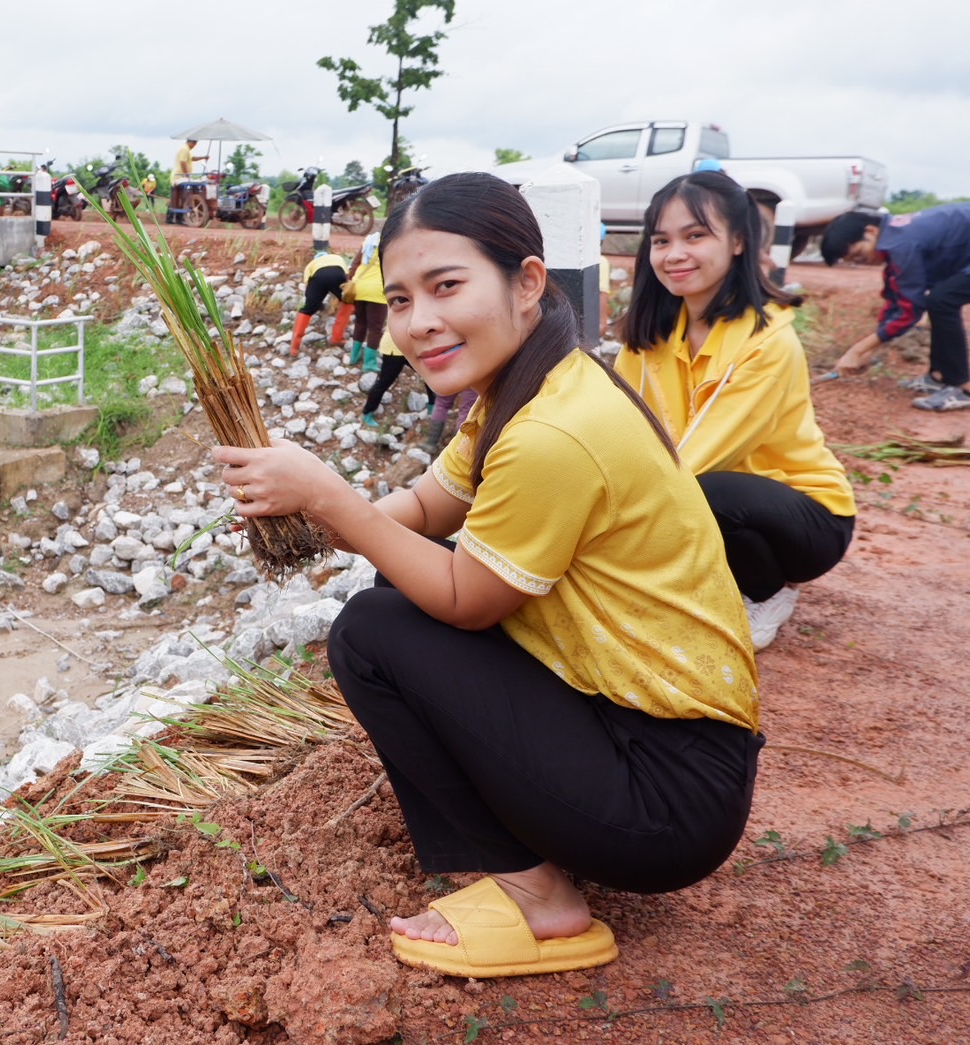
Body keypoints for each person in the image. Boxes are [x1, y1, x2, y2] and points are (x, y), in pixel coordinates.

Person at [213, 172, 762, 980]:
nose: (417, 322)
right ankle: (544, 850)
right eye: (401, 299)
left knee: (370, 632)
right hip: (644, 741)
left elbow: (466, 602)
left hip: (666, 799)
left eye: (446, 286)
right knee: (396, 590)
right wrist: (308, 516)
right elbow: (426, 506)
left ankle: (542, 900)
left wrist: (330, 495)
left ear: (527, 281)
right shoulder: (536, 382)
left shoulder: (552, 433)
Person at [616, 171, 856, 650]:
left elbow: (699, 458)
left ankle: (766, 591)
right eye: (661, 240)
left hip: (808, 517)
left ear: (739, 242)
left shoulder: (767, 342)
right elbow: (616, 425)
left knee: (706, 492)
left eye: (695, 236)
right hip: (707, 491)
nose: (674, 254)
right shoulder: (650, 335)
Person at [822, 204, 970, 412]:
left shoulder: (900, 244)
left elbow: (909, 311)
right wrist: (870, 350)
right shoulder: (894, 237)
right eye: (854, 261)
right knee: (939, 300)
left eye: (859, 254)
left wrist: (857, 350)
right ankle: (939, 376)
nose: (862, 262)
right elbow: (896, 300)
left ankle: (963, 387)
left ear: (871, 231)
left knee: (942, 301)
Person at [359, 329, 435, 429]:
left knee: (428, 373)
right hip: (394, 349)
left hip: (409, 347)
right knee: (384, 382)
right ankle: (367, 412)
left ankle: (432, 406)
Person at [290, 250, 353, 358]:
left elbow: (308, 287)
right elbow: (347, 278)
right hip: (337, 274)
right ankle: (337, 338)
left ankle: (294, 348)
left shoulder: (311, 264)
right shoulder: (337, 257)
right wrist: (341, 297)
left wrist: (315, 303)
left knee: (307, 309)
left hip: (318, 277)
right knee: (347, 302)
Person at [345, 230, 388, 373]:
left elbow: (355, 264)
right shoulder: (390, 244)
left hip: (360, 287)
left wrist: (349, 281)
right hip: (377, 290)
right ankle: (369, 363)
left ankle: (354, 357)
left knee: (360, 323)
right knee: (375, 328)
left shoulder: (368, 242)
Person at [168, 138, 208, 225]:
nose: (194, 146)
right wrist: (187, 174)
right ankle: (174, 216)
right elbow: (182, 162)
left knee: (183, 195)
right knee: (185, 194)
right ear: (191, 143)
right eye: (195, 144)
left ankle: (179, 218)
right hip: (179, 177)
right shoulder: (184, 149)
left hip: (182, 177)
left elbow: (192, 158)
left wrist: (203, 157)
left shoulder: (187, 150)